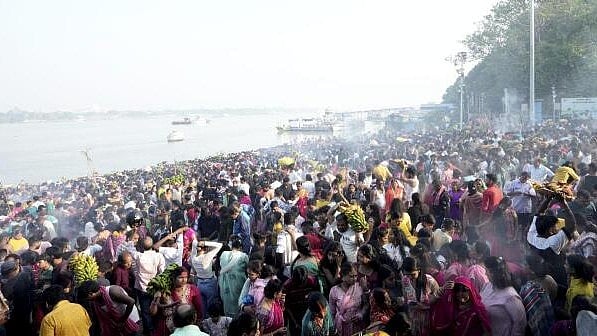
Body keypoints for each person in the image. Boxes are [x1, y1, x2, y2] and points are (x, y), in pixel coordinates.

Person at [480, 256, 526, 336]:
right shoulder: (487, 286)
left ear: (494, 273)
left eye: (487, 271)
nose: (485, 273)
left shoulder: (511, 297)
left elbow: (520, 325)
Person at [76, 280, 140, 336]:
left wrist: (122, 321)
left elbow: (131, 301)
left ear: (91, 294)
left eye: (88, 298)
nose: (88, 300)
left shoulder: (112, 291)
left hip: (130, 319)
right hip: (117, 321)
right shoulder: (96, 301)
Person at [133, 236, 166, 335]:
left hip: (142, 288)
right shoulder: (158, 256)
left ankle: (149, 331)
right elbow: (162, 272)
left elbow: (133, 268)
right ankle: (156, 329)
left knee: (145, 311)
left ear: (141, 246)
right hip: (155, 287)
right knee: (156, 308)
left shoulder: (138, 256)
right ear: (152, 245)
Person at [329, 262, 366, 336]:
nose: (355, 279)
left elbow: (366, 304)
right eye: (351, 276)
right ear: (343, 276)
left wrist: (361, 314)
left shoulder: (359, 287)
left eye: (356, 276)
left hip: (357, 326)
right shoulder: (334, 291)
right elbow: (332, 312)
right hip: (340, 326)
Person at [282, 266, 320, 336]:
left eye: (303, 283)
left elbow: (317, 300)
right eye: (298, 284)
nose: (301, 286)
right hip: (294, 314)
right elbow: (286, 306)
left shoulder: (312, 282)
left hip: (309, 313)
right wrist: (295, 322)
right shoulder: (287, 286)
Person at [190, 238, 222, 316]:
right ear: (206, 248)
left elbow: (194, 244)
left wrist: (198, 244)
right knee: (212, 307)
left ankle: (204, 323)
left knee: (203, 307)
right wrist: (205, 242)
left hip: (200, 283)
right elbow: (219, 245)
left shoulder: (193, 257)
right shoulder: (207, 257)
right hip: (210, 283)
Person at [219, 235, 249, 317]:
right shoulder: (244, 256)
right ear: (241, 247)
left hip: (225, 284)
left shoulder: (223, 254)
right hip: (238, 284)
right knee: (238, 302)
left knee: (227, 303)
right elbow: (248, 269)